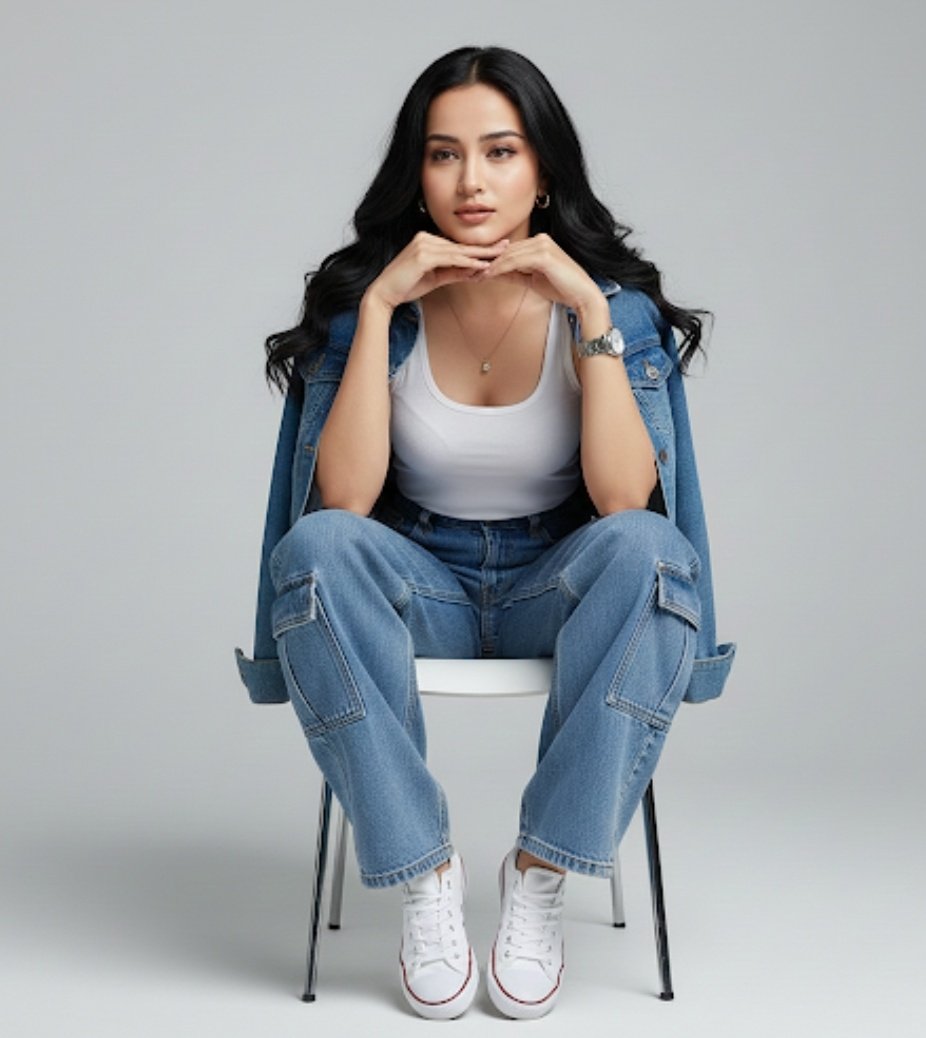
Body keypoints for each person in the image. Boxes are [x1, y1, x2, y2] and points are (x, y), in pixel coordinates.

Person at [235, 45, 735, 1020]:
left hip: (561, 589)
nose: (471, 180)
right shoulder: (364, 307)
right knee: (312, 553)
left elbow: (625, 499)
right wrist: (379, 305)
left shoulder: (611, 313)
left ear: (542, 171)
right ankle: (422, 876)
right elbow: (340, 502)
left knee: (652, 554)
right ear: (413, 175)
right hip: (417, 588)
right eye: (444, 154)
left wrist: (586, 307)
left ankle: (541, 872)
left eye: (500, 152)